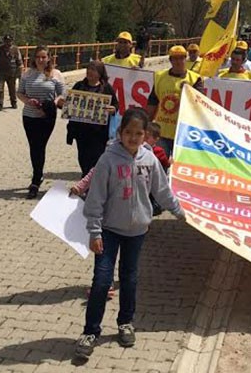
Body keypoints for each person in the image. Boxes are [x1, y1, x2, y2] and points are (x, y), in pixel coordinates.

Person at [75, 108, 184, 361]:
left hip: (137, 232)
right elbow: (95, 199)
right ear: (120, 132)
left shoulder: (150, 160)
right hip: (109, 231)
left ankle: (126, 323)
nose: (133, 138)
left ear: (145, 135)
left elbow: (162, 191)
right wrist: (94, 231)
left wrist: (179, 212)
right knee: (101, 282)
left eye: (138, 133)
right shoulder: (108, 160)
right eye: (128, 133)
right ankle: (90, 331)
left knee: (130, 279)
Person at [17, 46, 66, 199]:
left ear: (49, 58)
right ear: (34, 58)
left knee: (40, 145)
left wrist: (54, 102)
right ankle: (37, 175)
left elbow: (63, 93)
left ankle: (36, 179)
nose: (41, 60)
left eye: (44, 57)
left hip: (47, 116)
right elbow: (20, 92)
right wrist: (27, 101)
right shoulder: (27, 74)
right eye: (38, 57)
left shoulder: (55, 74)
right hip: (30, 116)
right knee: (34, 146)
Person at [146, 45, 204, 157]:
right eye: (175, 58)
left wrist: (189, 92)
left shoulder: (195, 79)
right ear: (170, 60)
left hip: (183, 133)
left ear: (185, 58)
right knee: (159, 163)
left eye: (181, 58)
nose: (178, 61)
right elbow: (152, 102)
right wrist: (147, 124)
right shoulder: (159, 77)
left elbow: (198, 104)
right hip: (161, 131)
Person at [67, 61, 118, 176]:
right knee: (83, 157)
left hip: (99, 133)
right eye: (88, 68)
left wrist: (113, 109)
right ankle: (86, 179)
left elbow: (116, 104)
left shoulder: (106, 88)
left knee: (97, 158)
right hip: (82, 131)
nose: (89, 72)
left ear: (100, 73)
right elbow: (70, 104)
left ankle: (91, 183)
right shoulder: (79, 86)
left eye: (93, 70)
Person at [0, 35, 23, 112]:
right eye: (6, 41)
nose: (8, 43)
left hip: (12, 72)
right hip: (1, 72)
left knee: (12, 89)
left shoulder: (15, 49)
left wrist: (20, 72)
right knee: (0, 89)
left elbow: (19, 61)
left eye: (9, 41)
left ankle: (13, 102)